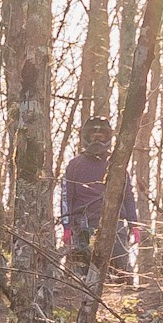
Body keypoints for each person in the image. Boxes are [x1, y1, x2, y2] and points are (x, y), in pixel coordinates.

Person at [59, 115, 138, 281]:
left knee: (122, 275)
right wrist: (66, 227)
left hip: (115, 225)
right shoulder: (75, 165)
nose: (97, 139)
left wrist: (134, 224)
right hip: (83, 225)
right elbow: (66, 197)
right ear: (86, 137)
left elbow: (128, 196)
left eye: (101, 136)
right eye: (93, 136)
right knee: (81, 277)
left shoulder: (116, 165)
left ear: (108, 138)